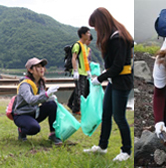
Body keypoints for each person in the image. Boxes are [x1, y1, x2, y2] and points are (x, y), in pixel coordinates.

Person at [83, 7, 133, 162]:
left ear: (102, 22)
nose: (96, 30)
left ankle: (126, 150)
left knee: (119, 116)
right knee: (106, 114)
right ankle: (102, 146)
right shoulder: (113, 35)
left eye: (96, 26)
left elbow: (118, 66)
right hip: (114, 80)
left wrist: (100, 78)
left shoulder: (118, 38)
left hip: (122, 81)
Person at [10, 58, 62, 144]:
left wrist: (50, 97)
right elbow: (30, 100)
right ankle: (21, 130)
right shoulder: (25, 84)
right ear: (30, 70)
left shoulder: (40, 83)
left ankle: (53, 134)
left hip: (34, 112)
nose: (41, 69)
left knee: (52, 104)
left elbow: (42, 99)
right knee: (34, 128)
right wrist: (46, 94)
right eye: (38, 66)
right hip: (22, 114)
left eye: (42, 66)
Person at [68, 26, 93, 114]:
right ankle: (76, 109)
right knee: (79, 91)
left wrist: (88, 71)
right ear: (82, 35)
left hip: (84, 72)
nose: (89, 34)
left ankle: (77, 107)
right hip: (79, 72)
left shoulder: (85, 46)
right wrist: (75, 71)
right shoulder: (77, 45)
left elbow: (85, 59)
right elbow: (74, 58)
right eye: (88, 33)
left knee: (82, 91)